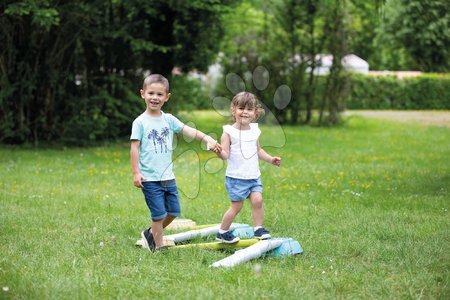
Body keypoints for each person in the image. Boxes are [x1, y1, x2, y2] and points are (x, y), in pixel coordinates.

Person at [130, 74, 220, 252]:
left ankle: (150, 234)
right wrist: (136, 172)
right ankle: (159, 246)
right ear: (142, 94)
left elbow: (189, 131)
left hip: (167, 176)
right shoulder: (140, 122)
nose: (155, 98)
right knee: (158, 214)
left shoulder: (169, 119)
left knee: (173, 211)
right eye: (151, 93)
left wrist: (206, 137)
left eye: (159, 94)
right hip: (149, 178)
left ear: (166, 97)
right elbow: (134, 148)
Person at [215, 91, 281, 243]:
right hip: (236, 178)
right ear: (234, 110)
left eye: (249, 109)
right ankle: (222, 232)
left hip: (253, 176)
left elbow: (258, 150)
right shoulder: (229, 132)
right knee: (236, 207)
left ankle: (258, 229)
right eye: (241, 108)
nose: (245, 112)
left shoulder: (255, 131)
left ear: (255, 113)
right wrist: (219, 152)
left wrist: (271, 159)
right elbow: (225, 154)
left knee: (258, 201)